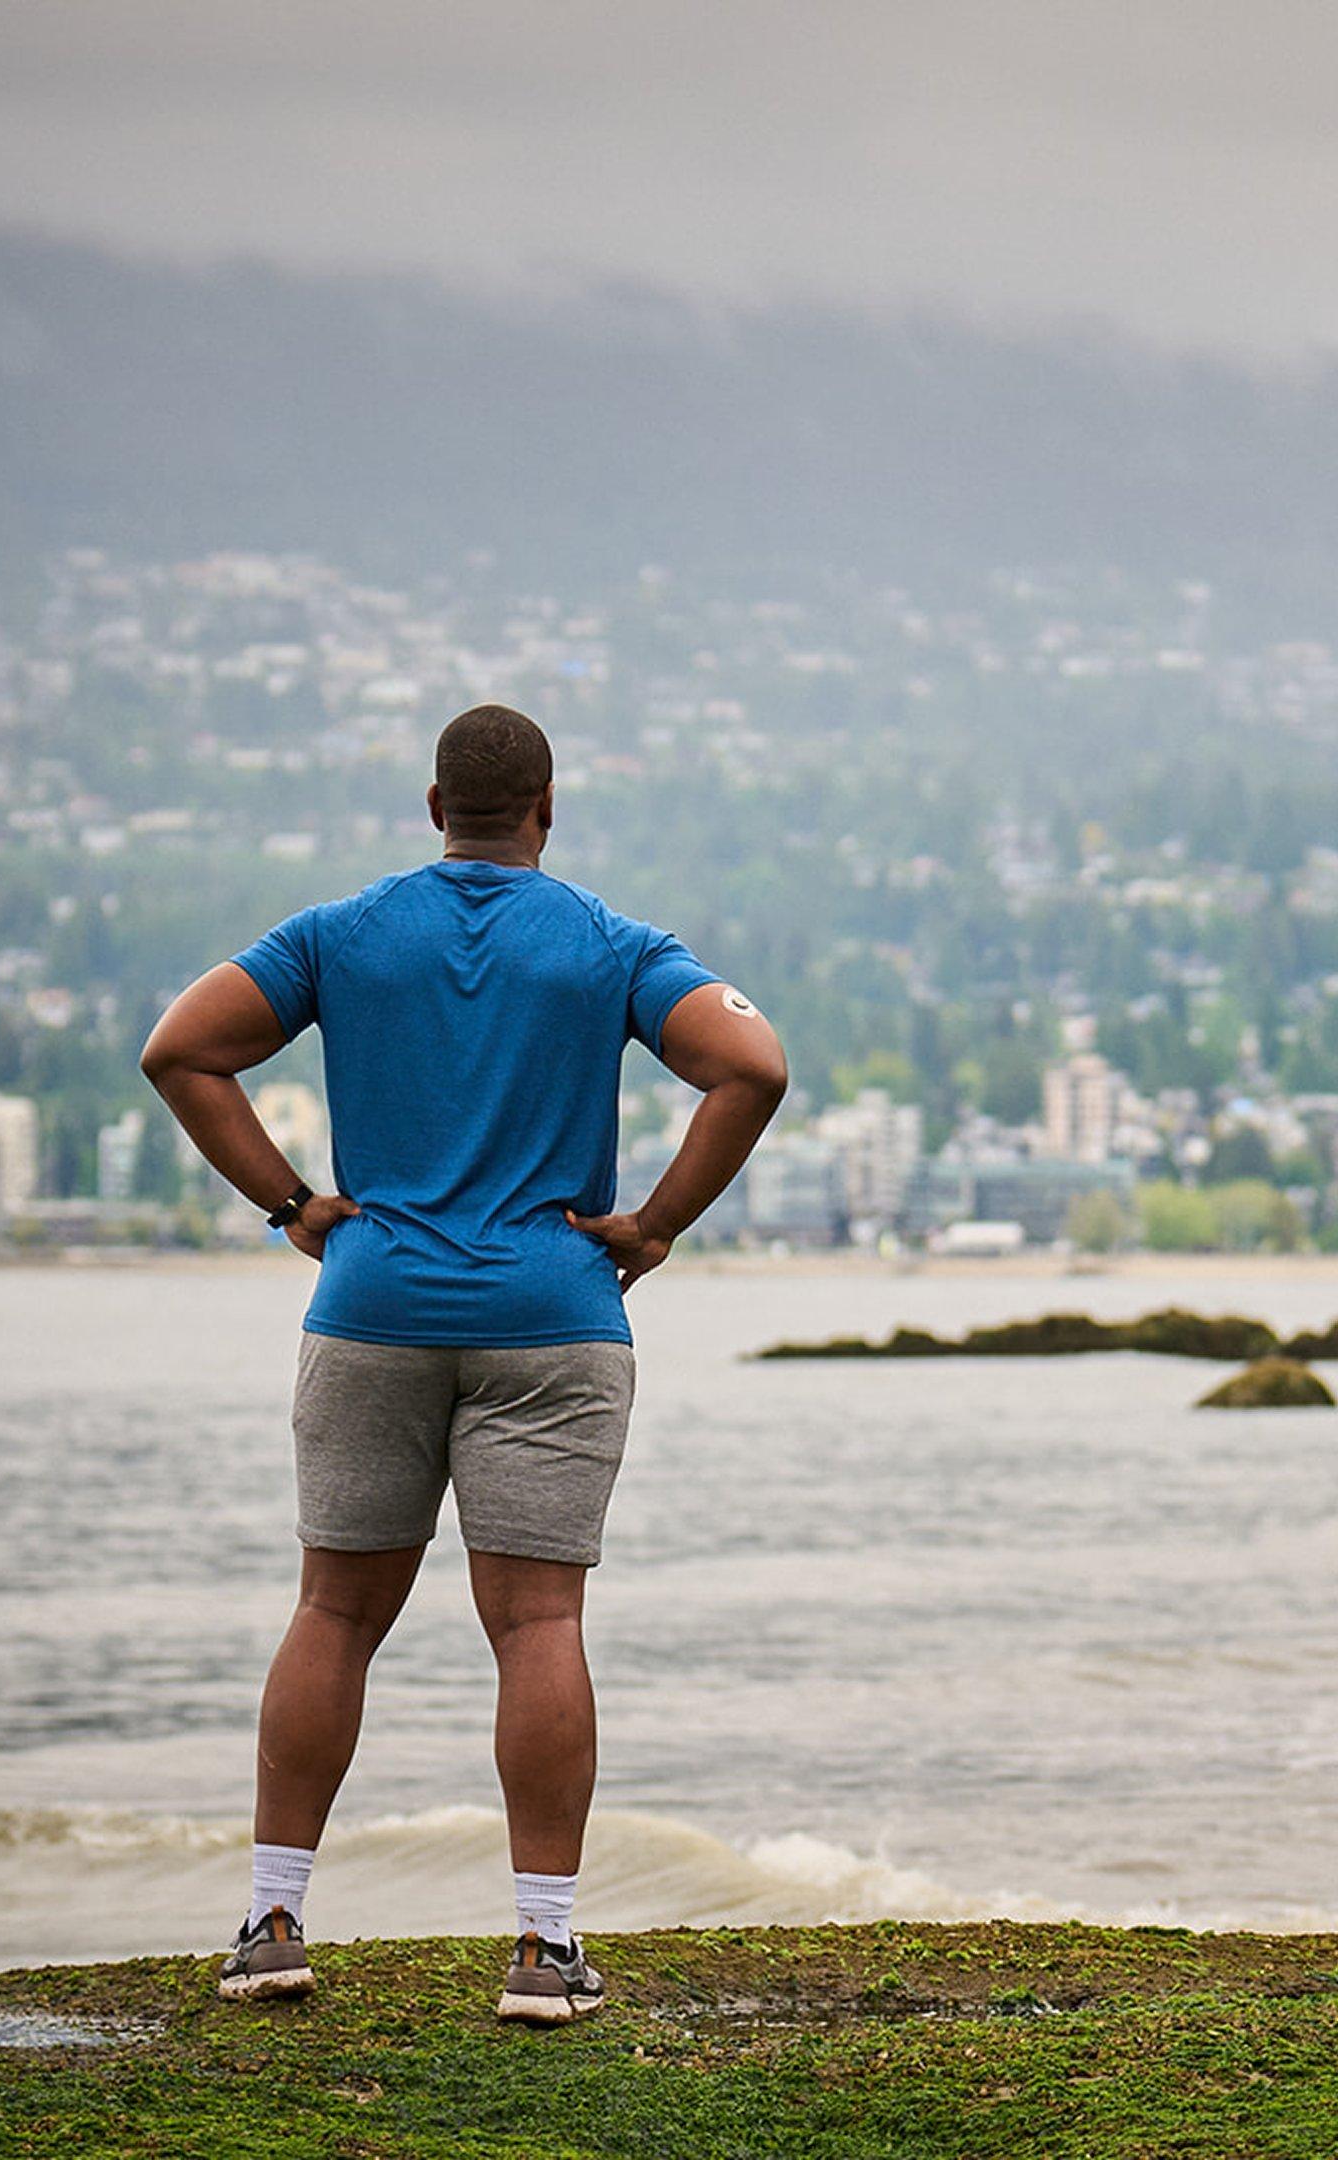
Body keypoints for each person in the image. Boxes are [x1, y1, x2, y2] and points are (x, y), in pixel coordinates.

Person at [139, 704, 787, 2024]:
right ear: (548, 811)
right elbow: (752, 1067)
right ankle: (544, 1954)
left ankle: (272, 1926)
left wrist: (294, 1207)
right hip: (554, 1311)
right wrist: (652, 1227)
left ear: (435, 807)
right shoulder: (609, 944)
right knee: (538, 1626)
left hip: (373, 1307)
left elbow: (182, 1050)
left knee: (334, 1613)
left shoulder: (340, 933)